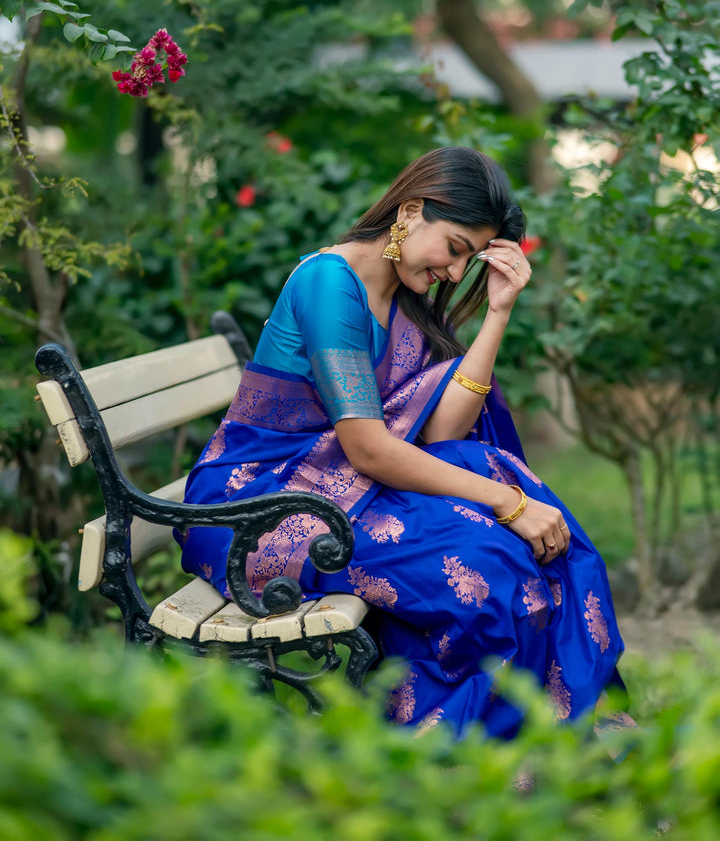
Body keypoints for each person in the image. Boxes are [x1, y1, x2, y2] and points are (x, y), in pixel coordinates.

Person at [178, 146, 627, 739]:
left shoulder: (401, 298)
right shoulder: (329, 285)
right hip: (262, 505)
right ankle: (457, 752)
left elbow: (440, 435)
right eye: (456, 248)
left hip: (338, 492)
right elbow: (368, 448)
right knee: (488, 565)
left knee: (522, 517)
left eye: (469, 259)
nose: (454, 271)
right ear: (411, 211)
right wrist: (505, 503)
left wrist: (498, 311)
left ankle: (549, 734)